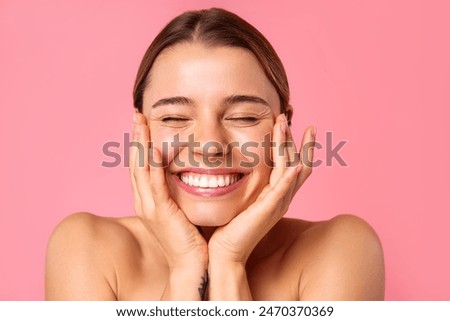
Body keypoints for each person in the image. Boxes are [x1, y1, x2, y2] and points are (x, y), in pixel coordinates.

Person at [45, 7, 385, 300]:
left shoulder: (341, 250)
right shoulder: (85, 249)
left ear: (285, 129)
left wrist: (228, 261)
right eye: (175, 118)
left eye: (244, 117)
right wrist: (186, 265)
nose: (210, 146)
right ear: (140, 131)